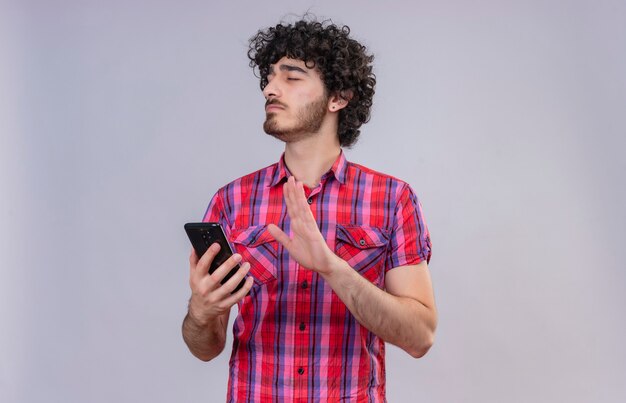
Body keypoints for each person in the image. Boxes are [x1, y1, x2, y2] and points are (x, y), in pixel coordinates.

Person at [182, 18, 437, 402]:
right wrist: (201, 313)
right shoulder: (231, 201)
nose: (270, 87)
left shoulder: (392, 199)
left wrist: (332, 268)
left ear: (338, 97)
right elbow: (206, 347)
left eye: (292, 77)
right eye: (269, 77)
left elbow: (420, 337)